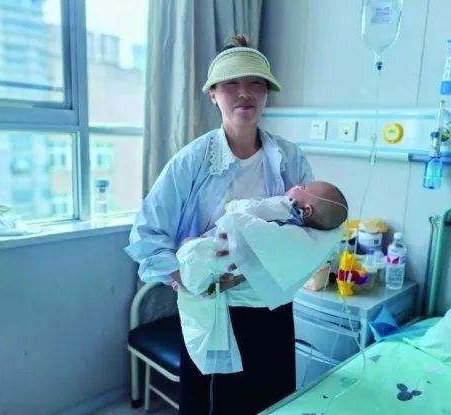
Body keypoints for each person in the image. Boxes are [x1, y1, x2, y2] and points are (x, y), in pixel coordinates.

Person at [126, 35, 315, 414]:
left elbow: (310, 225)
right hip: (213, 309)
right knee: (213, 405)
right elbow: (147, 236)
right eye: (231, 83)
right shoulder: (192, 161)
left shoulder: (288, 157)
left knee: (272, 400)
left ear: (267, 93)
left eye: (256, 83)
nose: (245, 93)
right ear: (213, 93)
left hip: (272, 306)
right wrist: (193, 278)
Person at [176, 181, 348, 377]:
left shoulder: (293, 229)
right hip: (228, 295)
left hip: (248, 312)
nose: (297, 185)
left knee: (191, 248)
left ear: (307, 210)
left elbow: (240, 212)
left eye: (303, 187)